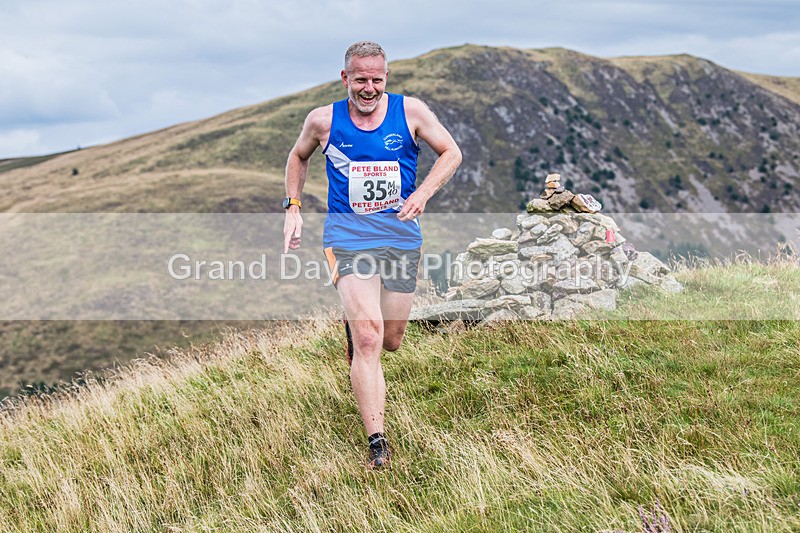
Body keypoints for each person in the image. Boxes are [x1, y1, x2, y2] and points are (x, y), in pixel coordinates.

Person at [282, 41, 461, 469]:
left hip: (400, 236)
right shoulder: (323, 121)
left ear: (386, 78)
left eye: (376, 80)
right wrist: (293, 207)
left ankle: (359, 326)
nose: (368, 88)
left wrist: (422, 193)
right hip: (346, 237)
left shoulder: (410, 111)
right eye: (360, 79)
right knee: (369, 337)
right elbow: (298, 156)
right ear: (345, 78)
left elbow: (451, 152)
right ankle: (377, 442)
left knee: (391, 340)